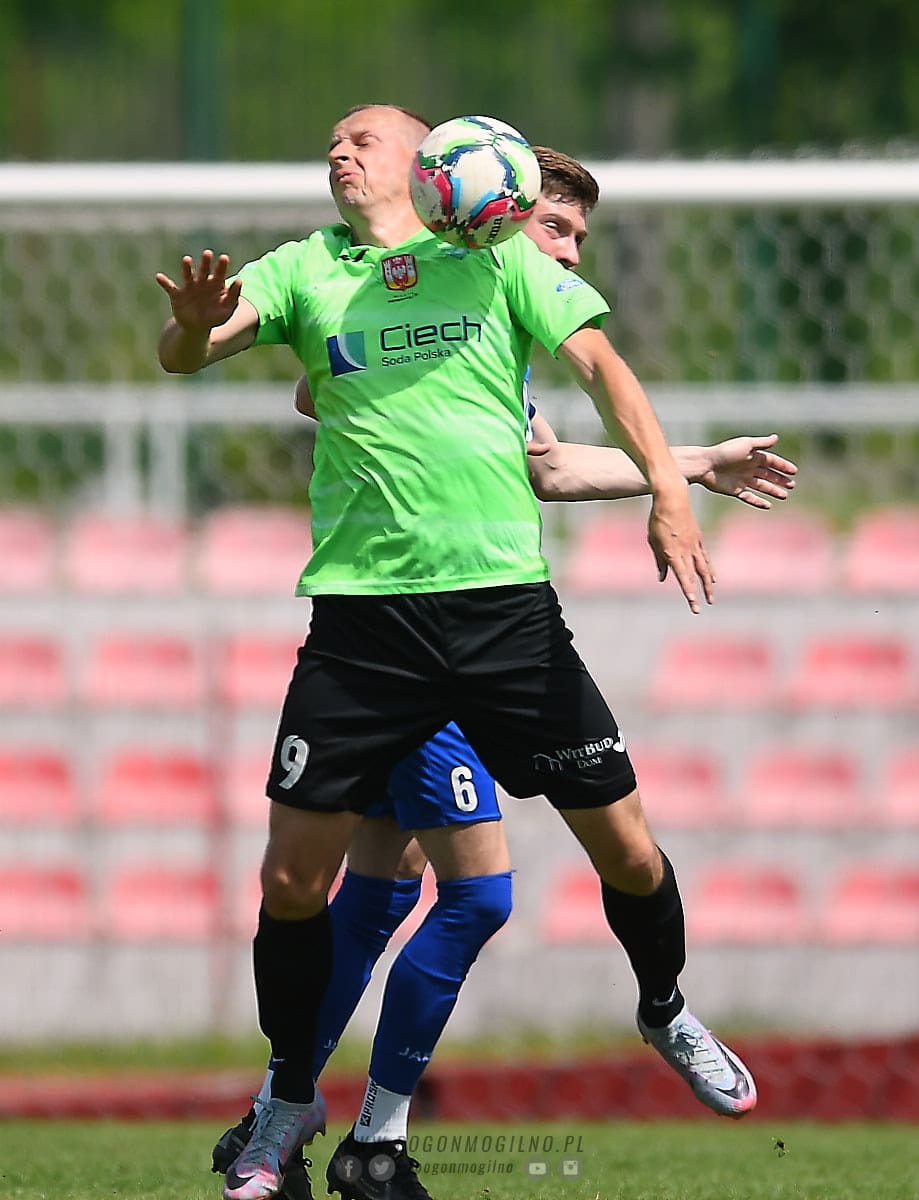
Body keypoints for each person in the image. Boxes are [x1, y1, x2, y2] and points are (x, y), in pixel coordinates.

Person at [155, 105, 765, 1200]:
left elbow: (569, 425)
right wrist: (199, 334)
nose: (339, 150)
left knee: (593, 857)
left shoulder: (491, 274)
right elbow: (227, 362)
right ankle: (309, 1110)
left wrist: (680, 478)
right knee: (346, 883)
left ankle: (657, 1009)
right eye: (555, 227)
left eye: (364, 138)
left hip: (499, 621)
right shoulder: (323, 270)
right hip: (366, 626)